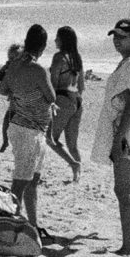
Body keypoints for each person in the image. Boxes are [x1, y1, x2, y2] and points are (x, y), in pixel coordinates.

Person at [90, 19, 130, 255]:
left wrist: (118, 140)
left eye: (122, 37)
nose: (116, 41)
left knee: (123, 191)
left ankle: (128, 246)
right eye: (115, 37)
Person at [0, 23, 58, 233]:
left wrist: (21, 94)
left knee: (32, 180)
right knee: (21, 182)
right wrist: (31, 96)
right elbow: (51, 97)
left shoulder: (14, 66)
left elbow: (2, 89)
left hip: (27, 128)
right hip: (28, 131)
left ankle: (32, 224)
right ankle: (12, 225)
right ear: (42, 47)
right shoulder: (38, 70)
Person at [47, 28, 85, 183]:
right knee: (72, 144)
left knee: (50, 138)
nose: (55, 40)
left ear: (63, 40)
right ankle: (78, 176)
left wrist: (50, 103)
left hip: (63, 99)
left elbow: (53, 84)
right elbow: (82, 85)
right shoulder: (77, 58)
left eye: (57, 38)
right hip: (77, 101)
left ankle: (73, 164)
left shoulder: (59, 57)